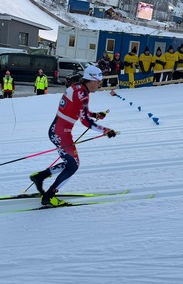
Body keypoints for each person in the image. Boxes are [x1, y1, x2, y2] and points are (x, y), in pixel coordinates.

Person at [30, 66, 117, 207]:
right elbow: (85, 121)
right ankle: (49, 196)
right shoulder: (83, 94)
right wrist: (105, 130)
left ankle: (40, 176)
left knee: (69, 163)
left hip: (57, 130)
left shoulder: (77, 87)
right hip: (61, 133)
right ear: (92, 80)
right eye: (98, 81)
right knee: (73, 166)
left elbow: (79, 111)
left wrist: (95, 115)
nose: (99, 84)